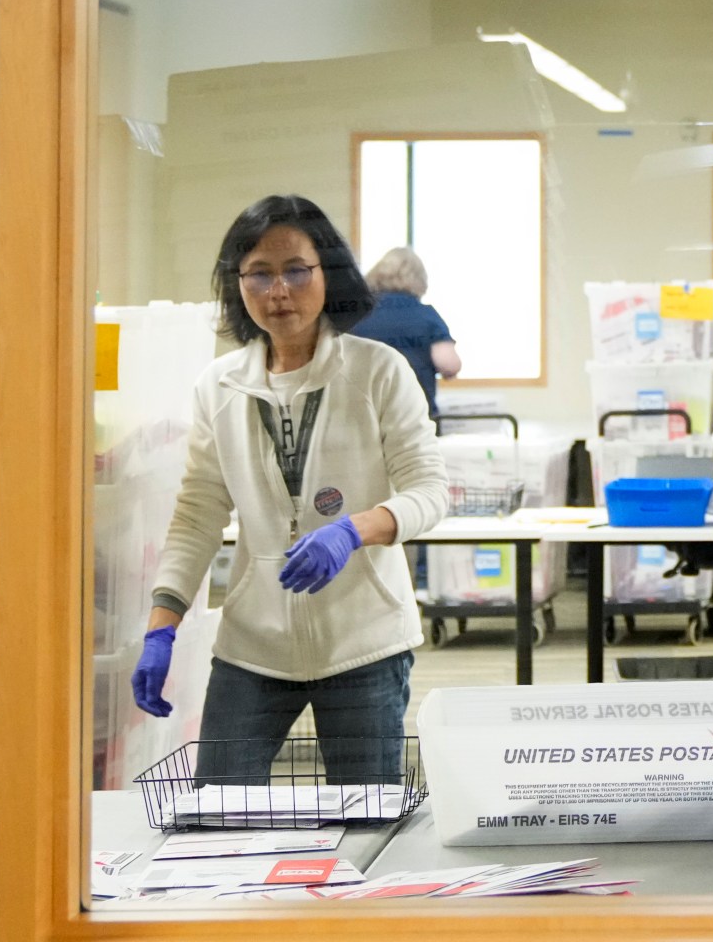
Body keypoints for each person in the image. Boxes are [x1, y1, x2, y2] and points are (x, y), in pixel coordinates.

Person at [128, 195, 451, 785]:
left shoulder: (377, 372)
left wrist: (354, 530)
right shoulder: (217, 386)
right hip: (254, 645)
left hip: (365, 641)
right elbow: (198, 514)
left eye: (296, 270)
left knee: (364, 822)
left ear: (327, 273)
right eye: (258, 274)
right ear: (238, 285)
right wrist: (160, 625)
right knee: (218, 811)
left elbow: (429, 491)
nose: (278, 291)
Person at [348, 246, 462, 412]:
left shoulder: (357, 315)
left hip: (363, 414)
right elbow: (449, 365)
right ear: (420, 280)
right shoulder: (426, 317)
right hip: (414, 415)